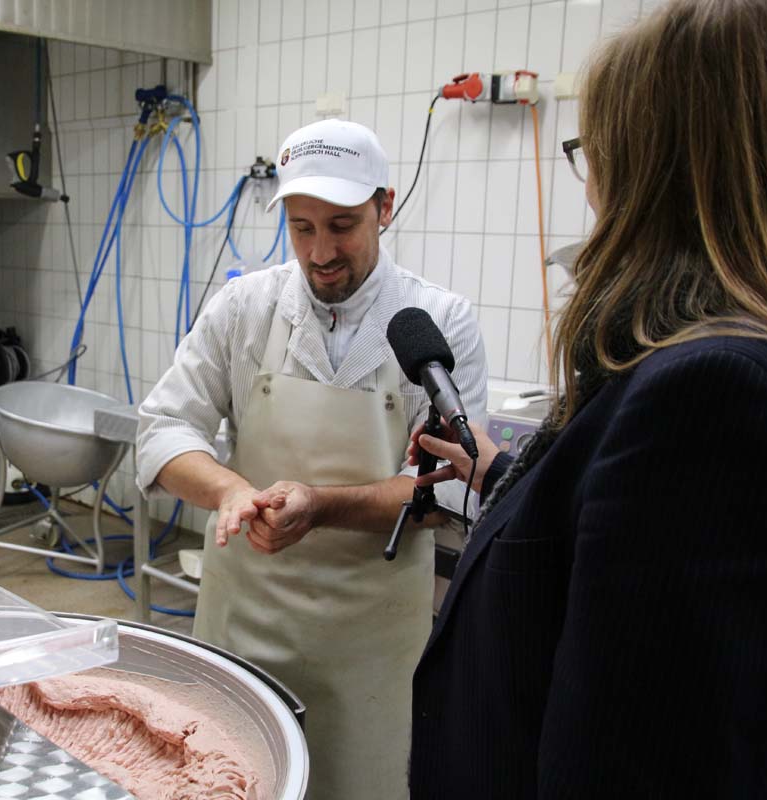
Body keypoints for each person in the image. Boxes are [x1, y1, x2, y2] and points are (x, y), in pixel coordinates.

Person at [406, 0, 767, 797]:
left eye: (590, 153)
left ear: (650, 168)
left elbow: (634, 764)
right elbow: (618, 562)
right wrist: (501, 476)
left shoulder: (715, 398)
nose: (593, 190)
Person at [136, 118, 487, 800]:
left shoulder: (438, 321)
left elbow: (444, 489)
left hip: (372, 643)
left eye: (342, 226)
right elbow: (162, 429)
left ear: (385, 208)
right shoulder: (246, 308)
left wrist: (320, 507)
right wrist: (230, 490)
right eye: (301, 227)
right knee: (238, 781)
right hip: (248, 620)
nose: (320, 252)